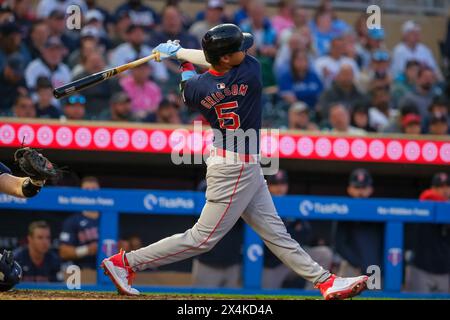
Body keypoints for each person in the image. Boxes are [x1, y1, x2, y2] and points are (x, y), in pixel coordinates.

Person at [101, 23, 368, 299]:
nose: (245, 50)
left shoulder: (198, 90)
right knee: (201, 239)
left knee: (277, 234)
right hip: (235, 167)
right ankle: (126, 263)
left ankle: (326, 281)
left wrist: (180, 57)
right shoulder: (250, 72)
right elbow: (211, 60)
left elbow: (190, 82)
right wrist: (180, 51)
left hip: (235, 162)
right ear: (226, 58)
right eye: (238, 48)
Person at [262, 170, 333, 289]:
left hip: (295, 258)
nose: (279, 187)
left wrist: (290, 232)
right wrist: (293, 230)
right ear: (268, 186)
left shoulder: (293, 204)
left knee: (324, 253)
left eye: (282, 184)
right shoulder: (262, 204)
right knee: (262, 293)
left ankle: (313, 295)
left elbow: (306, 234)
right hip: (272, 263)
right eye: (275, 184)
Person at [191, 180, 243, 288]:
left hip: (232, 265)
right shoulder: (207, 185)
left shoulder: (238, 187)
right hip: (207, 264)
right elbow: (203, 194)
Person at [405, 173, 450, 293]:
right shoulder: (423, 202)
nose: (444, 190)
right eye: (439, 187)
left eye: (447, 186)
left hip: (446, 271)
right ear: (432, 188)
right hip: (421, 269)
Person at [335, 169, 383, 278]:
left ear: (370, 189)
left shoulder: (379, 211)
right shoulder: (344, 211)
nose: (360, 192)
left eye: (364, 188)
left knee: (377, 294)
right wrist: (358, 263)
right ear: (349, 189)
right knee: (347, 293)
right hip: (352, 266)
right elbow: (339, 244)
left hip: (375, 269)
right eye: (357, 188)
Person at [59, 176, 100, 270]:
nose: (90, 193)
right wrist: (87, 250)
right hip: (82, 269)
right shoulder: (73, 220)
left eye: (94, 189)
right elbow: (64, 252)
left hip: (109, 269)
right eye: (87, 190)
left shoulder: (109, 217)